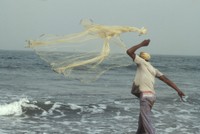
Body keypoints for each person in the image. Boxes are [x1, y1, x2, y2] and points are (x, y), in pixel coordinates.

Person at [126, 39, 185, 134]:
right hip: (152, 96)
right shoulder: (153, 69)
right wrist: (178, 90)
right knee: (142, 122)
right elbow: (166, 80)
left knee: (146, 122)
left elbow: (129, 51)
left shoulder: (141, 62)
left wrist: (142, 44)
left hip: (145, 96)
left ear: (141, 58)